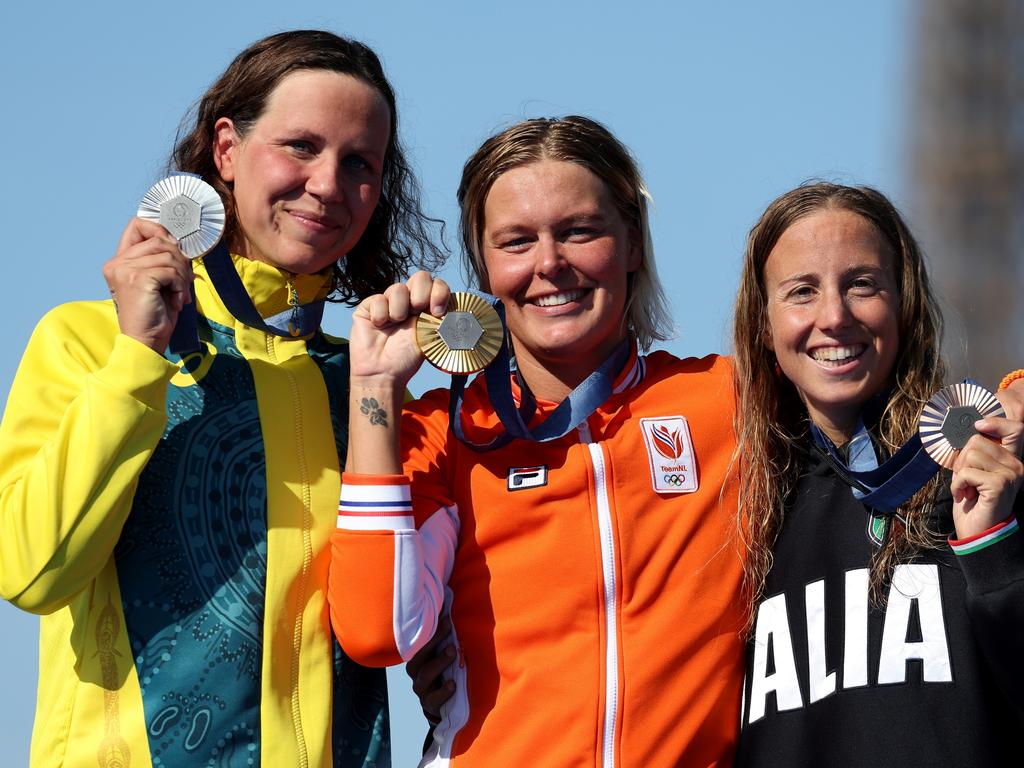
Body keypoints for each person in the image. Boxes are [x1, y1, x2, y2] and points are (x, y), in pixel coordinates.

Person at [0, 29, 443, 768]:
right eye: (301, 146)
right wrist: (137, 360)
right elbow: (33, 571)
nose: (329, 185)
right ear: (226, 150)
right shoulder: (88, 341)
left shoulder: (367, 385)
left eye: (359, 163)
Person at [329, 116, 746, 766]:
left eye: (579, 231)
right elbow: (376, 631)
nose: (550, 264)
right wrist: (375, 387)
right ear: (483, 265)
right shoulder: (446, 431)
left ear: (632, 241)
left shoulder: (727, 403)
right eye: (516, 241)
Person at [731, 182, 1024, 766]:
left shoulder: (983, 469)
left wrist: (992, 550)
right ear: (763, 326)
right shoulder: (740, 506)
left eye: (862, 284)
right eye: (801, 292)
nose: (834, 317)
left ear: (904, 302)